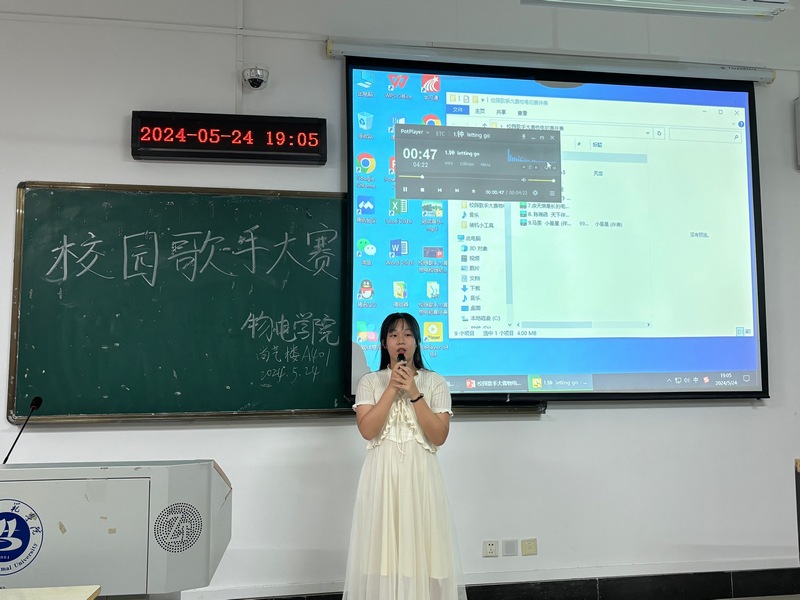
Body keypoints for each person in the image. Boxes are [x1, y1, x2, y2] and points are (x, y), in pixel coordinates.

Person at [343, 312, 467, 600]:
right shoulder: (370, 382)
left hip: (421, 476)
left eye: (408, 334)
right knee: (382, 555)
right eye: (394, 335)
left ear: (417, 342)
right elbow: (368, 430)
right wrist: (391, 388)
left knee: (424, 551)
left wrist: (413, 391)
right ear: (384, 343)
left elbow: (439, 435)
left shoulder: (435, 382)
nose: (401, 340)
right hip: (382, 476)